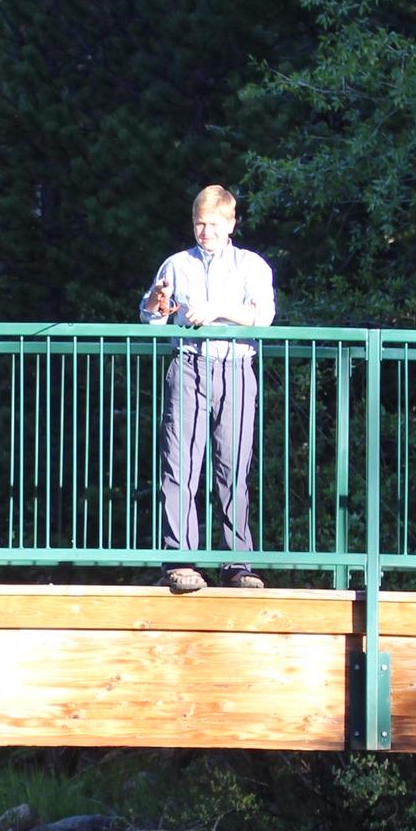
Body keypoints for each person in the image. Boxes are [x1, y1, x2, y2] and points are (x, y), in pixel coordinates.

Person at [141, 183, 275, 592]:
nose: (206, 231)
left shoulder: (252, 265)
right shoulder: (176, 265)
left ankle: (237, 563)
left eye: (214, 224)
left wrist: (218, 310)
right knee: (180, 466)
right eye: (200, 223)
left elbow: (264, 316)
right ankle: (179, 560)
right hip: (188, 367)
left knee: (233, 469)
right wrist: (157, 302)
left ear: (231, 223)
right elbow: (151, 317)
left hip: (235, 368)